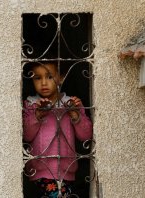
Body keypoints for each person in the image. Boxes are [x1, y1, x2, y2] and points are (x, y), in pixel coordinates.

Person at [23, 62, 92, 197]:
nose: (43, 83)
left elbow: (86, 136)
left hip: (67, 171)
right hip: (41, 171)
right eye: (37, 78)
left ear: (61, 77)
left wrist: (75, 115)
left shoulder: (71, 103)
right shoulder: (31, 104)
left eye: (49, 77)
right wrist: (37, 115)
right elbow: (26, 136)